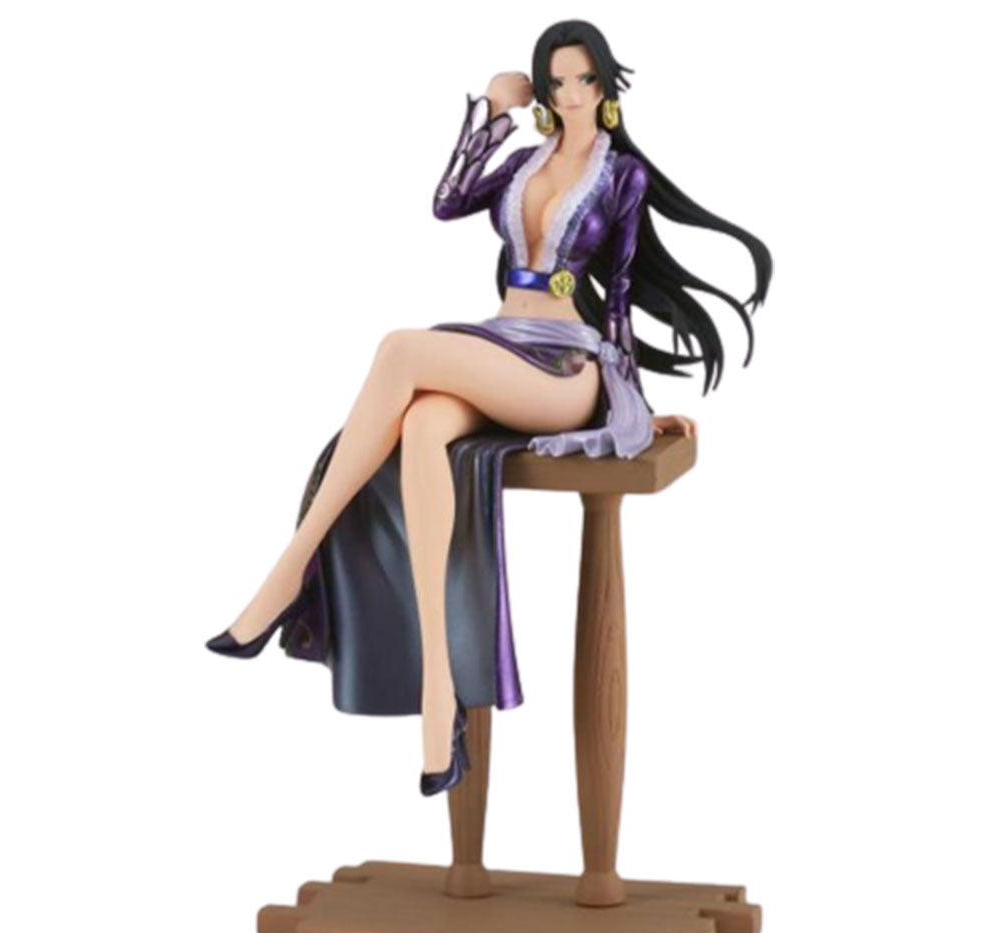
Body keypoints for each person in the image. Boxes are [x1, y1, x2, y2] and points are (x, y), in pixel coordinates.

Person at [205, 20, 772, 797]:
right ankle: (439, 693)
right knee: (422, 423)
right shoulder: (525, 161)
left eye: (585, 80)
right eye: (557, 82)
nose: (571, 95)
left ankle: (288, 570)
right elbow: (445, 203)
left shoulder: (622, 175)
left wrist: (636, 407)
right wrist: (494, 111)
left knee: (400, 349)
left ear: (606, 84)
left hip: (566, 367)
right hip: (501, 343)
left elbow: (619, 299)